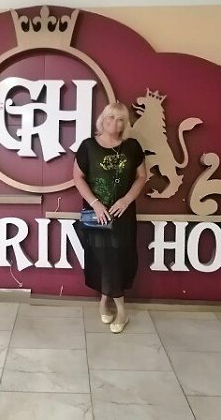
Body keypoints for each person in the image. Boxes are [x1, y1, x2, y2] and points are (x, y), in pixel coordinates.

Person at [73, 102, 147, 333]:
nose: (114, 123)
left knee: (119, 258)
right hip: (97, 215)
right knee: (101, 258)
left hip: (122, 214)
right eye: (110, 117)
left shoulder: (132, 147)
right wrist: (95, 204)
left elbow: (142, 176)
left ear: (125, 123)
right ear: (102, 119)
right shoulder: (88, 146)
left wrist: (126, 200)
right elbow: (77, 177)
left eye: (120, 119)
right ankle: (109, 303)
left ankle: (116, 307)